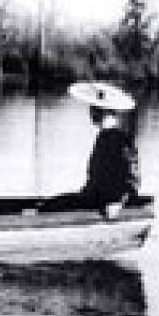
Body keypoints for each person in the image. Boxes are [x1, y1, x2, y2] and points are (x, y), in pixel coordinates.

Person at [40, 81, 140, 219]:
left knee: (49, 208)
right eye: (93, 108)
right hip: (91, 198)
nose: (92, 113)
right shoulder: (103, 136)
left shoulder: (121, 140)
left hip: (108, 203)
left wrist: (118, 204)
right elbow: (95, 177)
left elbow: (131, 181)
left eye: (98, 110)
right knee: (47, 206)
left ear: (109, 113)